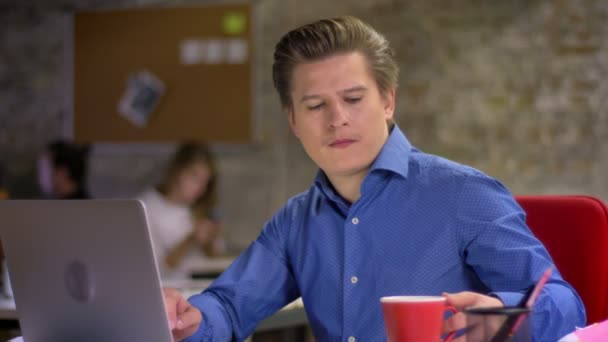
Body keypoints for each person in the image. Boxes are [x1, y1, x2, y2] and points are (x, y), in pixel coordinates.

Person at [165, 16, 585, 341]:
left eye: (352, 98)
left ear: (387, 100)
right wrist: (187, 318)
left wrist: (504, 314)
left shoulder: (464, 195)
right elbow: (229, 305)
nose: (337, 119)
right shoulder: (295, 221)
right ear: (293, 121)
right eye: (315, 106)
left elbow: (566, 305)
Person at [139, 142, 224, 279]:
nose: (201, 189)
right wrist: (190, 240)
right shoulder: (146, 207)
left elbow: (215, 262)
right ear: (177, 171)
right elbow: (155, 270)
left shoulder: (200, 208)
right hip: (168, 289)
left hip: (199, 287)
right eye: (195, 178)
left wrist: (210, 240)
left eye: (205, 182)